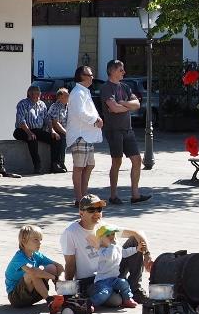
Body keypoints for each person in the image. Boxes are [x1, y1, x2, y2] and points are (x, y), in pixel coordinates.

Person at [60, 195, 151, 297]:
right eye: (91, 209)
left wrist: (147, 255)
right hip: (90, 280)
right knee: (115, 300)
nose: (96, 213)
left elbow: (138, 232)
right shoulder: (71, 232)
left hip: (111, 273)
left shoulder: (104, 227)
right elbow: (70, 264)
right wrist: (68, 292)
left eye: (99, 209)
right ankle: (120, 290)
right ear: (81, 213)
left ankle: (135, 289)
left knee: (134, 240)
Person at [100, 60, 150, 204]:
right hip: (114, 130)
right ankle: (113, 195)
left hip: (128, 129)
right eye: (121, 70)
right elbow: (113, 108)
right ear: (112, 71)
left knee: (137, 160)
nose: (124, 72)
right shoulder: (106, 88)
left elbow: (137, 104)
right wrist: (127, 106)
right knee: (117, 161)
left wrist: (122, 104)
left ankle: (135, 195)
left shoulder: (126, 87)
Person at [65, 66, 104, 205]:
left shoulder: (84, 92)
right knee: (79, 167)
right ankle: (79, 198)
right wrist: (96, 120)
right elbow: (80, 113)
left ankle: (84, 196)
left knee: (89, 165)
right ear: (82, 76)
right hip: (80, 135)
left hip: (87, 135)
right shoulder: (77, 93)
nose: (92, 77)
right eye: (90, 74)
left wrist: (96, 120)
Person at [4, 225, 63, 308]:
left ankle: (64, 295)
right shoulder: (19, 257)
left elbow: (58, 266)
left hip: (35, 295)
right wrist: (55, 277)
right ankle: (49, 300)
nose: (40, 243)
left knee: (51, 267)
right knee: (31, 273)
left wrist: (60, 279)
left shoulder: (36, 255)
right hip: (17, 298)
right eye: (36, 240)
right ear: (24, 241)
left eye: (40, 240)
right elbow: (33, 271)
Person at [91, 223, 144, 309]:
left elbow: (124, 252)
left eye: (113, 234)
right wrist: (112, 245)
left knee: (124, 283)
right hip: (102, 281)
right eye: (108, 235)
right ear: (101, 239)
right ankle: (91, 303)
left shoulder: (116, 247)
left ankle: (128, 299)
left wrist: (136, 249)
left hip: (114, 278)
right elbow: (109, 256)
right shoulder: (100, 251)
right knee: (105, 293)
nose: (111, 237)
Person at [13, 85, 58, 174]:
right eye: (35, 94)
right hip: (22, 130)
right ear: (29, 94)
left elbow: (47, 119)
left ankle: (55, 164)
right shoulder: (23, 104)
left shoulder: (42, 104)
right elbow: (21, 120)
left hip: (37, 130)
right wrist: (29, 133)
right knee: (33, 139)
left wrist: (52, 130)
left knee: (55, 139)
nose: (37, 96)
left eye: (38, 94)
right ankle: (37, 165)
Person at [45, 87, 69, 173]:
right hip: (53, 130)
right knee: (61, 138)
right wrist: (66, 132)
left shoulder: (67, 107)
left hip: (62, 130)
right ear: (60, 98)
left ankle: (62, 162)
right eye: (66, 95)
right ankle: (57, 164)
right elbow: (56, 123)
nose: (68, 97)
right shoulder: (56, 106)